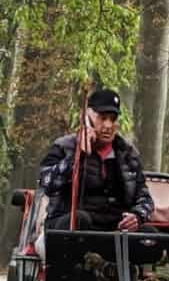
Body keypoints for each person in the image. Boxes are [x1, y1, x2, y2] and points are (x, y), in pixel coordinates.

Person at [39, 88, 154, 232]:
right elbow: (46, 184)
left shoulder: (127, 153)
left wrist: (137, 217)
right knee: (79, 220)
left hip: (114, 229)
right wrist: (76, 156)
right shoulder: (64, 146)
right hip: (71, 226)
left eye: (112, 119)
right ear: (88, 118)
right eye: (102, 118)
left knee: (150, 236)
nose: (108, 125)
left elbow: (145, 199)